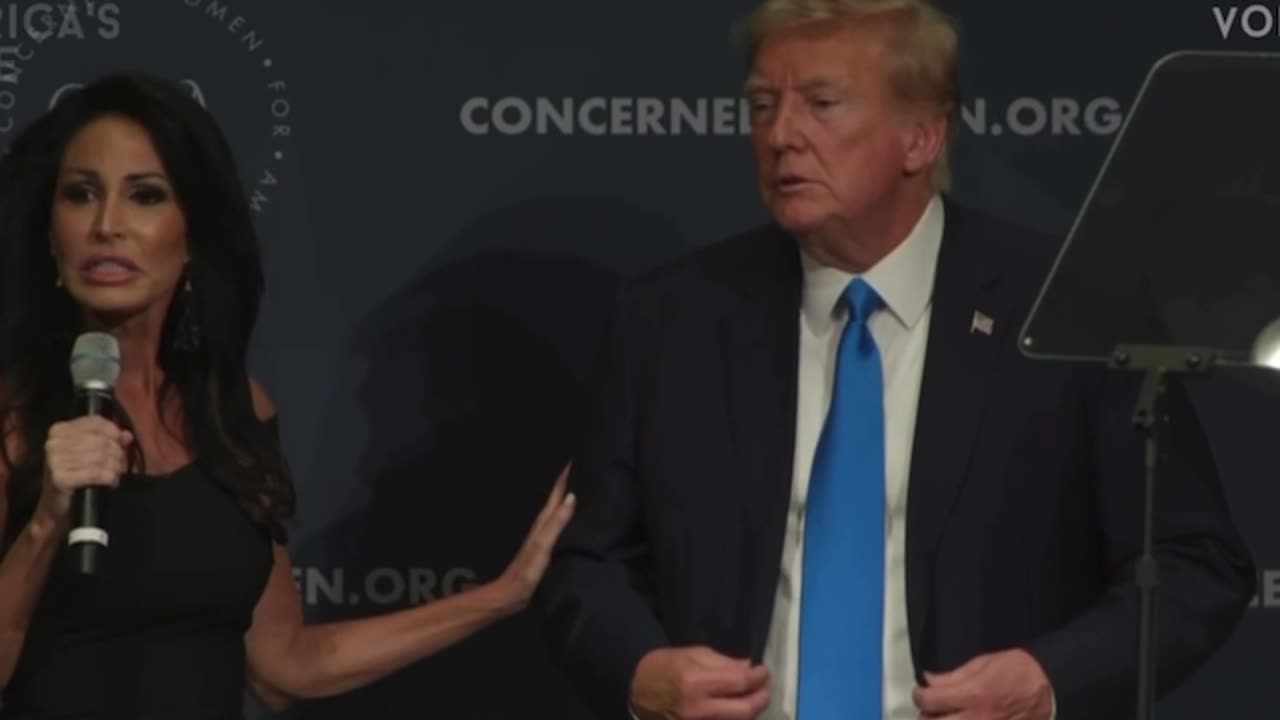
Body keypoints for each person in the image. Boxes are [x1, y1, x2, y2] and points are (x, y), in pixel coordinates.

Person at [535, 1, 1255, 719]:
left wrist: (1050, 678)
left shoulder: (1068, 306)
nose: (781, 135)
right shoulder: (672, 318)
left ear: (921, 137)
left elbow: (1195, 565)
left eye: (821, 104)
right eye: (762, 105)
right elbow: (587, 562)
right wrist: (639, 671)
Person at [0, 74, 575, 719]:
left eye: (145, 196)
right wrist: (48, 519)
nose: (107, 225)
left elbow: (283, 665)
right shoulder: (13, 422)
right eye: (81, 195)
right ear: (51, 236)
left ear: (191, 234)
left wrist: (502, 595)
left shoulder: (235, 411)